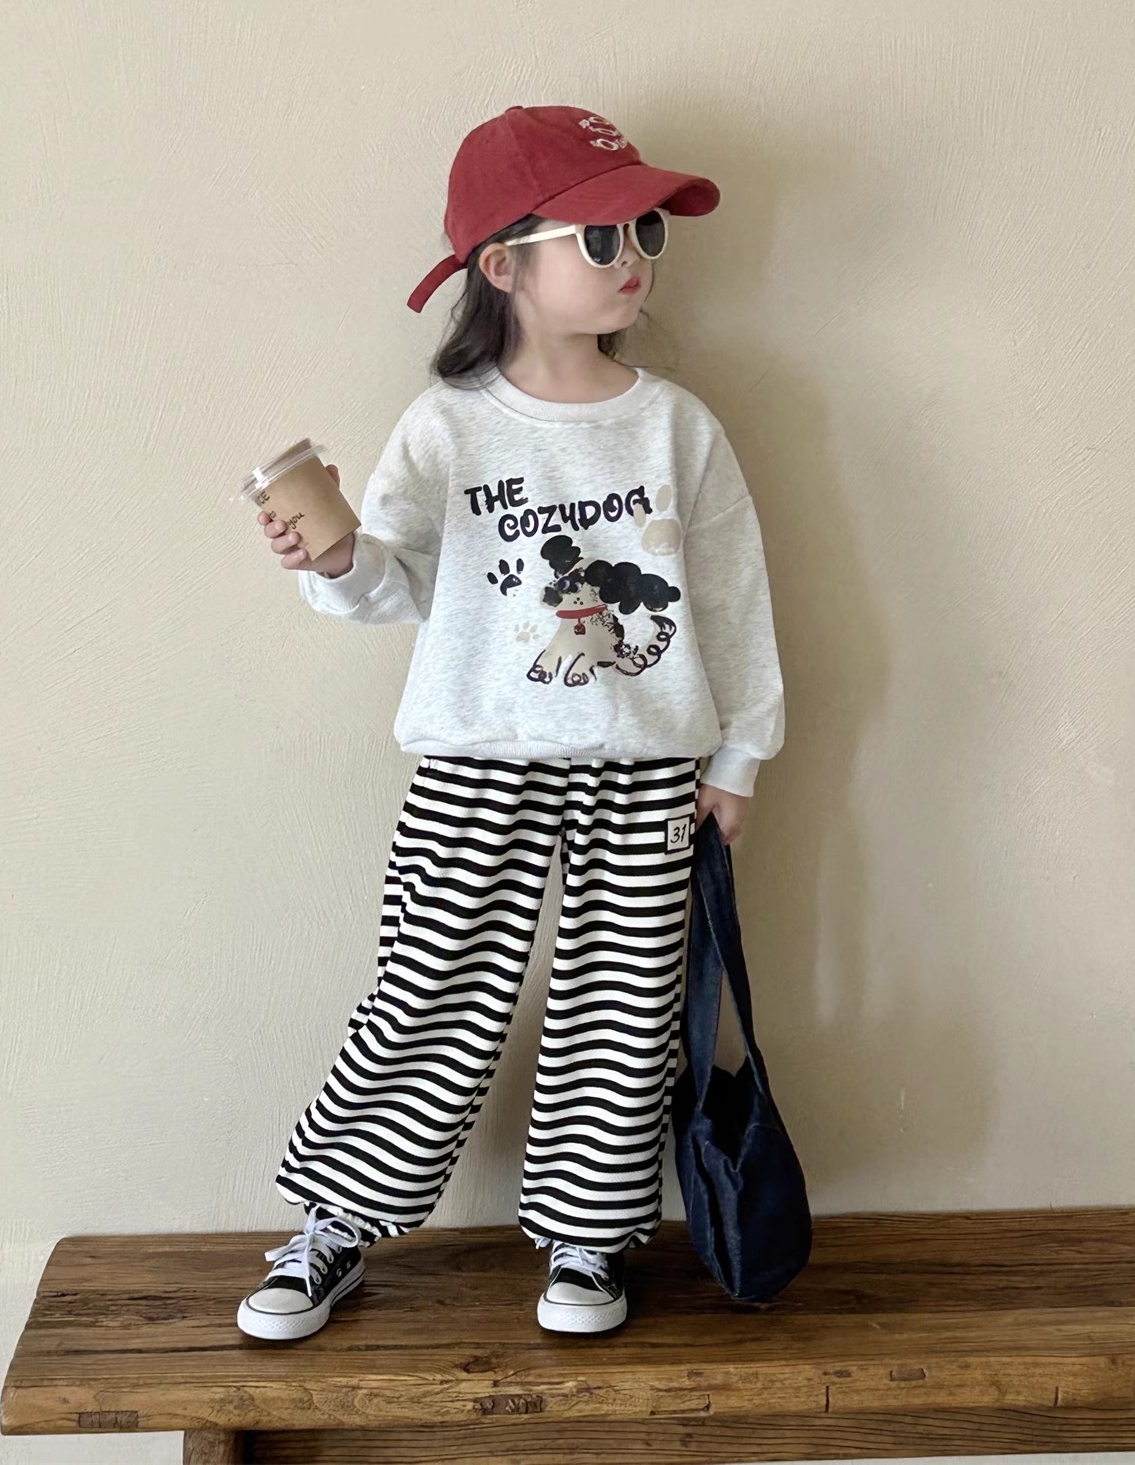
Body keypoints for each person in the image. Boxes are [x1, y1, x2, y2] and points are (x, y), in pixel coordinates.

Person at [235, 104, 785, 1343]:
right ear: (502, 264)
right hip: (474, 759)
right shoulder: (444, 426)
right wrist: (329, 556)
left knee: (622, 1010)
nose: (632, 257)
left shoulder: (675, 424)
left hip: (646, 764)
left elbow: (734, 597)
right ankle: (335, 1222)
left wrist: (741, 752)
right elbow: (393, 587)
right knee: (423, 992)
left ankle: (589, 1236)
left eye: (643, 232)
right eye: (599, 236)